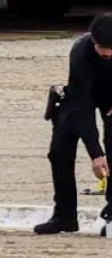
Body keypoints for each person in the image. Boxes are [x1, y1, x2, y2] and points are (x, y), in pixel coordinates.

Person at [35, 13, 112, 234]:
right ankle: (64, 215)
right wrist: (96, 154)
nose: (106, 53)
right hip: (81, 96)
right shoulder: (80, 51)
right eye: (101, 48)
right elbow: (82, 107)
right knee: (59, 151)